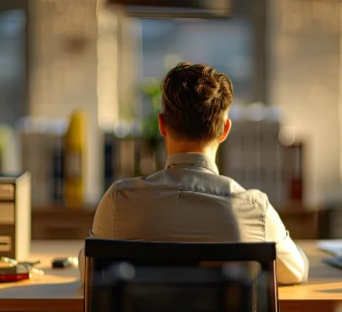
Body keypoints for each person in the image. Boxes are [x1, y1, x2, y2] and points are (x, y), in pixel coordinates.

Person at [79, 62, 309, 284]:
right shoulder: (253, 208)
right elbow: (295, 271)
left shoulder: (120, 200)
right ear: (225, 130)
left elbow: (87, 270)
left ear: (162, 124)